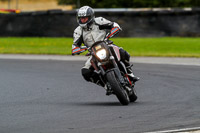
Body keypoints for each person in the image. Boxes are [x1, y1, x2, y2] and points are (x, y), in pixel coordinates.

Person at [72, 6, 139, 90]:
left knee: (123, 52)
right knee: (85, 72)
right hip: (93, 53)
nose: (82, 20)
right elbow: (75, 46)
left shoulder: (99, 21)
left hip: (106, 45)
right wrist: (79, 49)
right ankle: (105, 84)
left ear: (91, 17)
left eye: (85, 18)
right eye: (81, 18)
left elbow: (115, 25)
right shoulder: (78, 31)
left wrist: (110, 34)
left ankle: (130, 73)